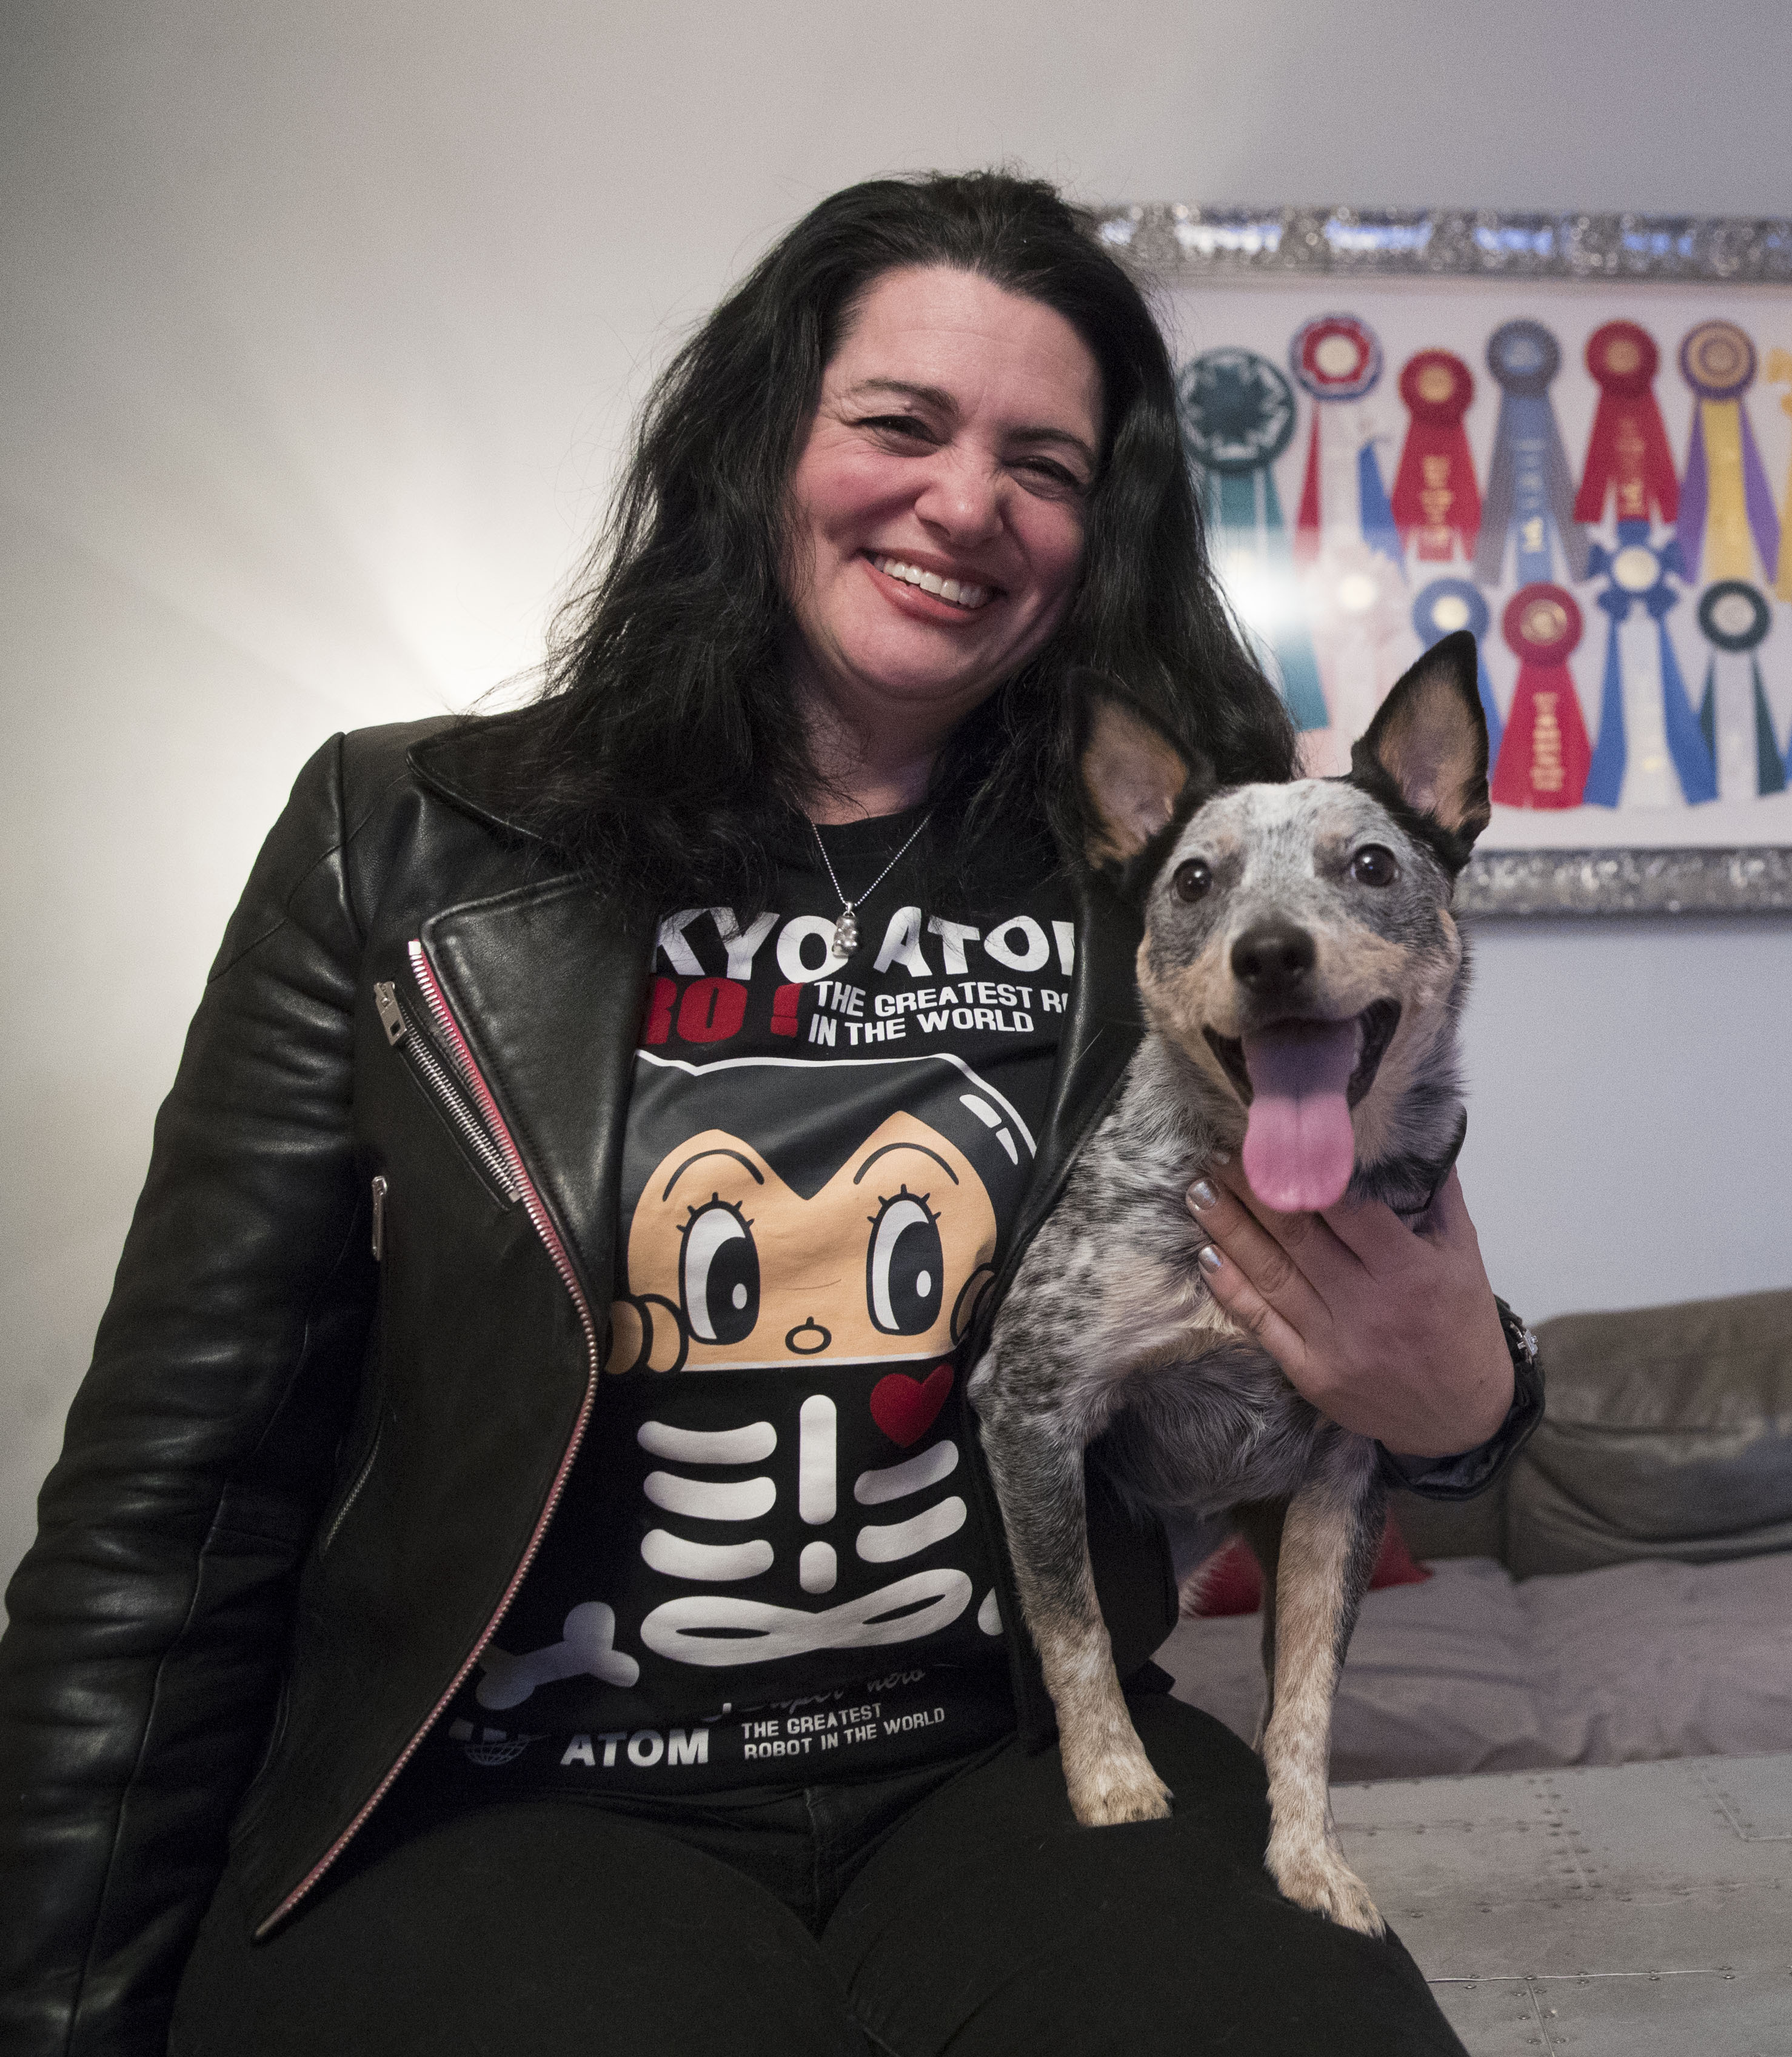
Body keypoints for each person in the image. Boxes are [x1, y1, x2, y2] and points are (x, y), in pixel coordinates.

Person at [0, 170, 1539, 2057]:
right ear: (756, 446)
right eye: (899, 423)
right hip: (509, 1795)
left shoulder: (1162, 883)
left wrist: (1484, 1399)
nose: (965, 501)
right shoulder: (404, 840)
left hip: (1007, 1769)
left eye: (1042, 466)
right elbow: (178, 1483)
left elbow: (1375, 1308)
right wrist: (63, 1993)